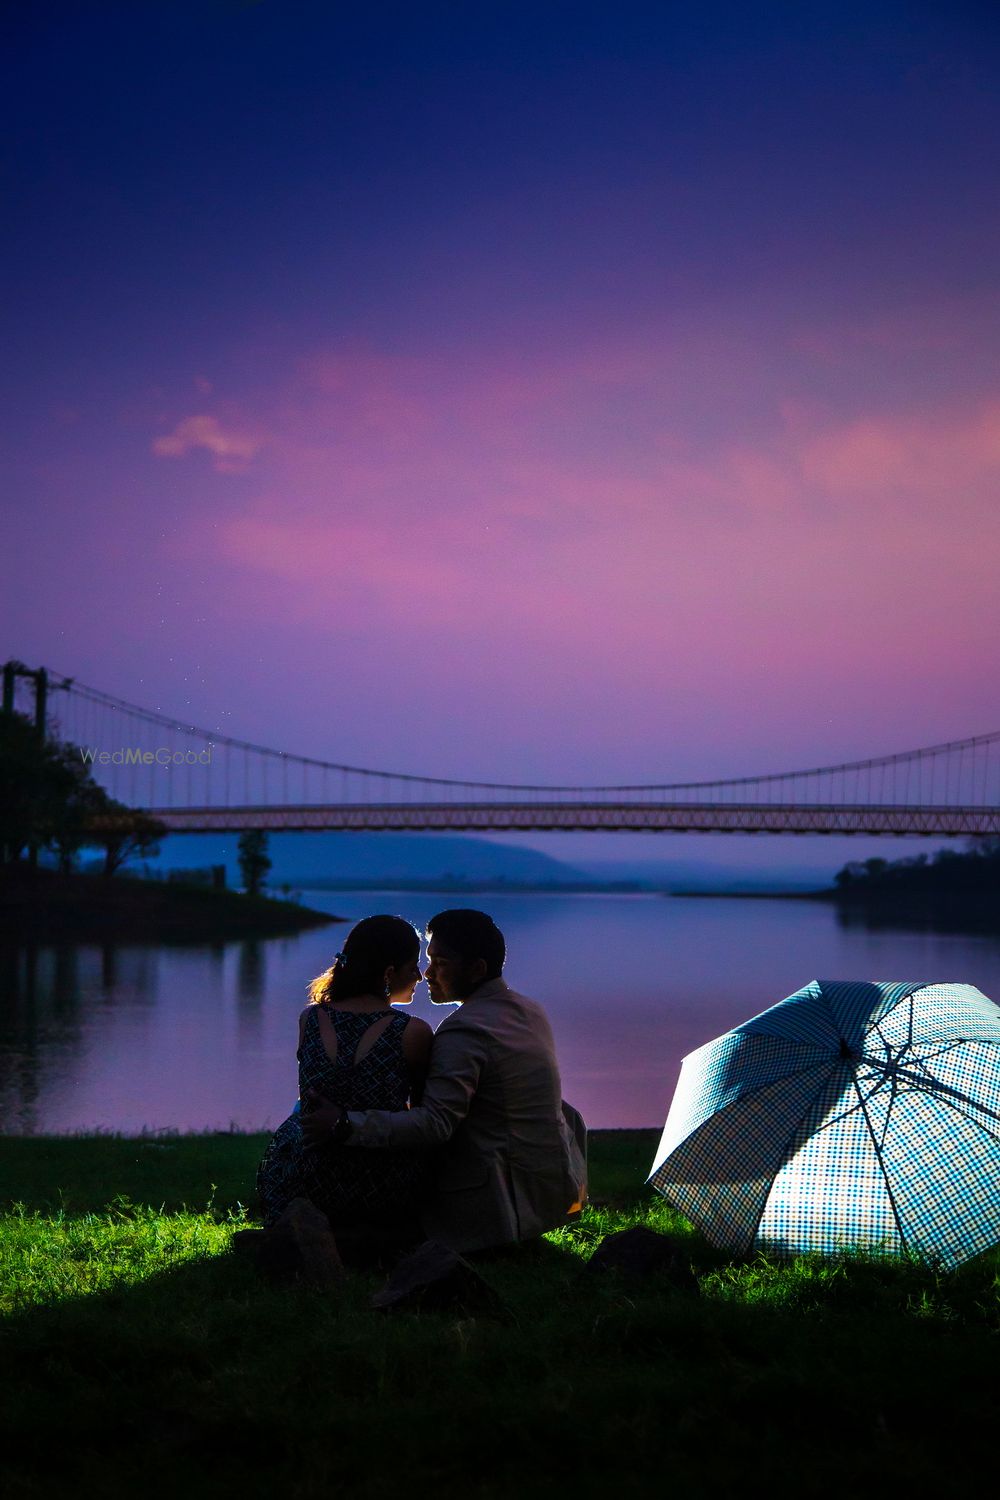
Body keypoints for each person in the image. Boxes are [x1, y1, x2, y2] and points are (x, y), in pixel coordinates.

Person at [302, 908, 587, 1254]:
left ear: (477, 969)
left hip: (494, 1206)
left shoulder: (464, 1030)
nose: (427, 974)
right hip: (547, 1193)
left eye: (440, 963)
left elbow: (435, 1125)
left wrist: (345, 1125)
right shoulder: (529, 1011)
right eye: (427, 961)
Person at [256, 915, 433, 1244]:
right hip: (381, 1183)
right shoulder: (412, 1032)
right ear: (389, 973)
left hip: (307, 1179)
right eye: (414, 966)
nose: (420, 976)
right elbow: (422, 1118)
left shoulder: (311, 1018)